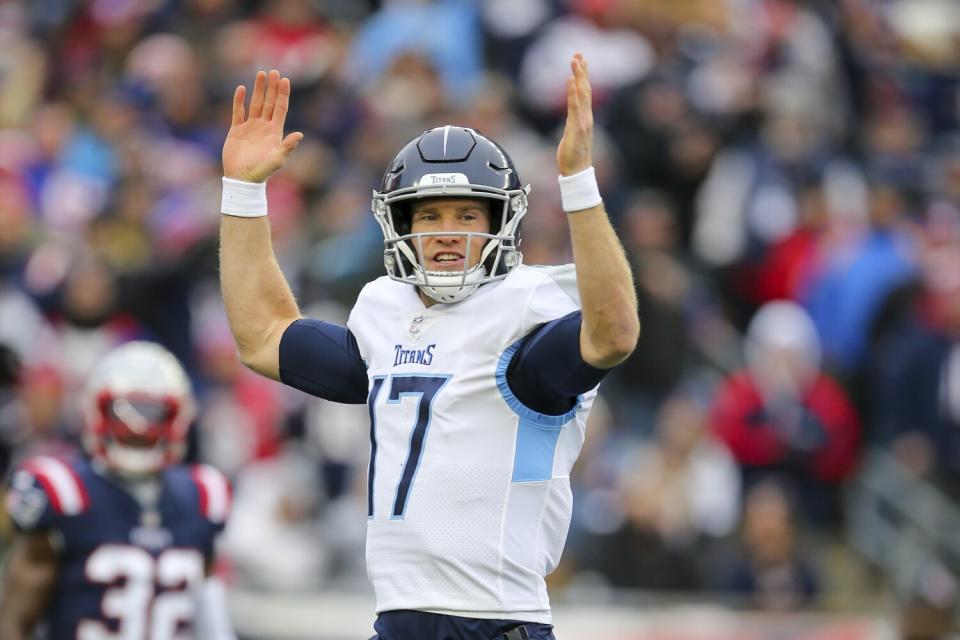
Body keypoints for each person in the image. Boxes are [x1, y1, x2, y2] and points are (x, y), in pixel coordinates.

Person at [219, 54, 638, 640]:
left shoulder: (523, 312)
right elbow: (263, 336)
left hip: (494, 623)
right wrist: (243, 192)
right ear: (400, 225)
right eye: (430, 214)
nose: (447, 230)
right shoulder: (386, 312)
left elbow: (613, 334)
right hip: (395, 622)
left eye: (468, 214)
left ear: (501, 224)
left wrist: (578, 184)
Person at [0, 341, 236, 639]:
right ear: (94, 411)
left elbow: (209, 619)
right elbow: (15, 621)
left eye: (153, 413)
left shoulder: (203, 497)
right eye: (123, 411)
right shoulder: (64, 493)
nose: (137, 428)